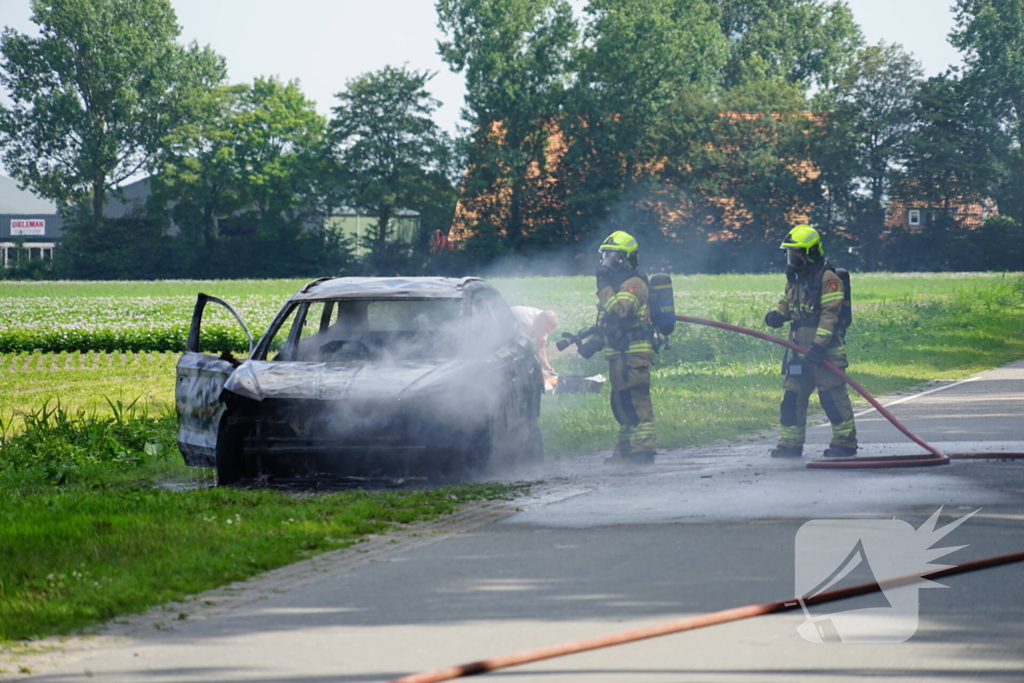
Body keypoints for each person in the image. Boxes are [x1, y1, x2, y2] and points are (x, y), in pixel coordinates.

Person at [764, 225, 858, 458]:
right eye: (789, 253)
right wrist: (778, 315)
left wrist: (818, 346)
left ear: (810, 252)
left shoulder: (829, 279)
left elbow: (830, 316)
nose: (791, 258)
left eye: (795, 253)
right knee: (792, 398)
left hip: (825, 350)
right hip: (798, 348)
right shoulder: (795, 278)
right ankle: (790, 444)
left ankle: (844, 443)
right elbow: (788, 304)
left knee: (831, 398)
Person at [578, 230, 656, 464]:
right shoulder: (614, 285)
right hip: (617, 354)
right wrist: (595, 343)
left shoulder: (633, 283)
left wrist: (603, 286)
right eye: (606, 255)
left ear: (627, 259)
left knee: (636, 400)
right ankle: (624, 451)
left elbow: (621, 311)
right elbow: (609, 322)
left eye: (614, 256)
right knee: (620, 403)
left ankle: (643, 450)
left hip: (634, 354)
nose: (608, 262)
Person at [511, 306, 559, 378]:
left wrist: (547, 366)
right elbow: (521, 348)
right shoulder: (526, 323)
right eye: (547, 329)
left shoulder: (544, 324)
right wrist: (538, 369)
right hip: (500, 325)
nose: (547, 332)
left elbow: (540, 348)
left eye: (549, 330)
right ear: (542, 322)